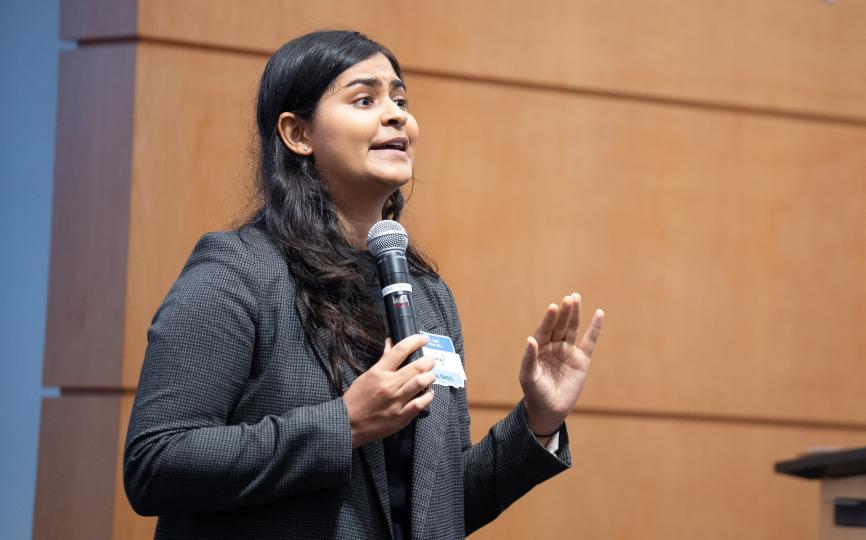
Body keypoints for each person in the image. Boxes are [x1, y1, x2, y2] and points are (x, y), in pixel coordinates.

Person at [123, 30, 604, 539]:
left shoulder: (427, 296)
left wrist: (536, 421)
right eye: (365, 98)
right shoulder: (237, 273)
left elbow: (439, 507)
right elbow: (156, 461)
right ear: (297, 134)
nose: (397, 114)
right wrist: (343, 424)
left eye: (400, 99)